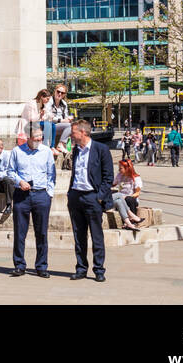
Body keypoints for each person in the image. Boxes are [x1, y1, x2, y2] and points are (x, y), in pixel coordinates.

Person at [67, 119, 114, 282]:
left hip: (92, 197)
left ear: (83, 132)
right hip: (76, 197)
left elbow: (108, 177)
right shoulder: (76, 150)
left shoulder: (101, 149)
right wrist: (70, 194)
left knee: (96, 235)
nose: (71, 135)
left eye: (73, 132)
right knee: (78, 235)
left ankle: (99, 269)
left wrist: (99, 197)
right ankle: (81, 268)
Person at [6, 125, 55, 277]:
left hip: (41, 194)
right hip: (22, 195)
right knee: (20, 232)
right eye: (36, 137)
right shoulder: (17, 151)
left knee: (41, 233)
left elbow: (51, 173)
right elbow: (10, 171)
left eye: (41, 136)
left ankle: (41, 266)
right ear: (28, 137)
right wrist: (20, 181)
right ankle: (19, 265)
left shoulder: (46, 151)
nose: (39, 139)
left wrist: (49, 193)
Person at [111, 159, 145, 230]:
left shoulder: (136, 178)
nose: (119, 170)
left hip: (131, 199)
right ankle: (130, 221)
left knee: (129, 199)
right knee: (119, 198)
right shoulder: (119, 175)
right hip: (120, 198)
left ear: (127, 168)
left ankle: (131, 221)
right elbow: (113, 184)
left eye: (121, 168)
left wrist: (126, 196)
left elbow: (137, 193)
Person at [42, 85, 72, 157]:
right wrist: (61, 120)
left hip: (60, 125)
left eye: (62, 93)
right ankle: (61, 144)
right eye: (58, 91)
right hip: (50, 125)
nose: (60, 94)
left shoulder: (64, 103)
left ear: (64, 95)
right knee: (70, 126)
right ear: (54, 91)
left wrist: (68, 119)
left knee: (75, 126)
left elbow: (66, 116)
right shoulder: (49, 101)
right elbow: (48, 116)